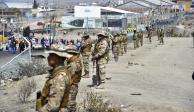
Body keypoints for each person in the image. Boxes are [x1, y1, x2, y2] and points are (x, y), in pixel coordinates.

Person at [36, 44, 72, 112]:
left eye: (52, 55)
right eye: (49, 55)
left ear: (60, 58)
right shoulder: (59, 73)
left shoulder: (59, 77)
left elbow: (53, 106)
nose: (48, 57)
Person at [65, 45, 82, 112]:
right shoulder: (74, 60)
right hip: (73, 87)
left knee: (69, 106)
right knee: (71, 106)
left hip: (71, 87)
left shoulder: (73, 64)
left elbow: (68, 78)